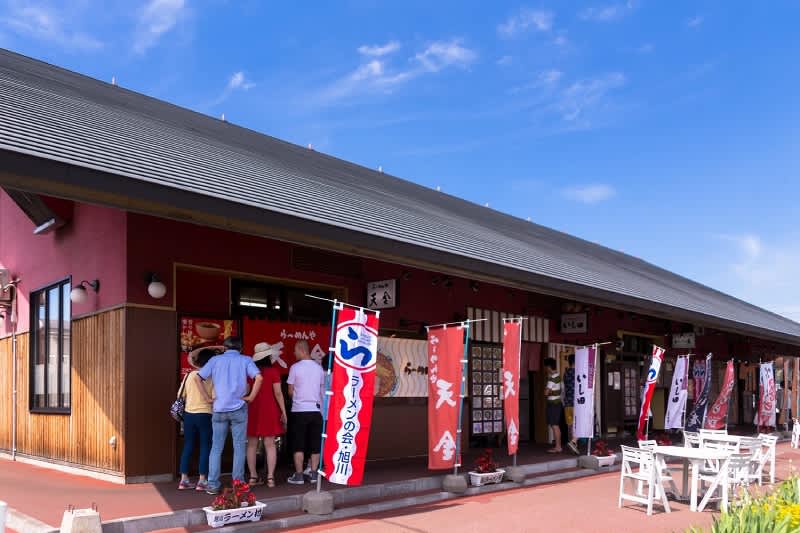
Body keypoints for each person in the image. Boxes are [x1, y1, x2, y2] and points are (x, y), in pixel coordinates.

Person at [197, 336, 263, 495]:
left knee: (216, 447)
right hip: (239, 408)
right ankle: (238, 483)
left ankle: (213, 484)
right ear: (240, 348)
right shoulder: (246, 360)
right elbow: (259, 378)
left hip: (219, 408)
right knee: (239, 447)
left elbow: (199, 377)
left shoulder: (215, 360)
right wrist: (251, 397)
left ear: (225, 348)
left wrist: (207, 398)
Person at [246, 342, 288, 488]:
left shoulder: (250, 372)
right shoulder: (273, 372)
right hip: (269, 410)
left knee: (251, 445)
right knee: (270, 445)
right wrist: (283, 411)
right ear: (268, 355)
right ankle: (270, 478)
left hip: (252, 409)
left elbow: (245, 390)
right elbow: (278, 393)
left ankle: (252, 477)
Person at [177, 347, 220, 491]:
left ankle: (184, 479)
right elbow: (214, 398)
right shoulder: (212, 377)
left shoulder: (189, 375)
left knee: (188, 445)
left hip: (189, 415)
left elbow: (180, 395)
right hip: (206, 415)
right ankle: (202, 480)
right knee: (205, 446)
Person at [286, 340, 325, 485]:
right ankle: (314, 474)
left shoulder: (295, 368)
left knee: (298, 443)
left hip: (299, 410)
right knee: (315, 444)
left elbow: (290, 391)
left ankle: (299, 475)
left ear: (301, 349)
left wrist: (297, 395)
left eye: (295, 350)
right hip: (316, 410)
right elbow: (321, 390)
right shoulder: (319, 368)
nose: (294, 353)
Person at [544, 357, 563, 453]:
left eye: (546, 367)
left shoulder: (552, 378)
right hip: (558, 403)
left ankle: (558, 447)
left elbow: (546, 393)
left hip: (553, 404)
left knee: (554, 425)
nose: (545, 369)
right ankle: (558, 446)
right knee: (556, 425)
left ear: (548, 367)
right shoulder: (558, 375)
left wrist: (549, 391)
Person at [563, 354, 579, 455]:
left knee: (570, 425)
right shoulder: (578, 373)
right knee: (579, 424)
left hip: (567, 402)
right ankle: (573, 442)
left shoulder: (566, 373)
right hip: (577, 402)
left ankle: (572, 444)